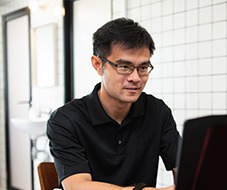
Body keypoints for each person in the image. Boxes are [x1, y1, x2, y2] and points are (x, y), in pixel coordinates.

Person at [47, 17, 181, 190]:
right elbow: (77, 187)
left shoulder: (157, 111)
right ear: (97, 64)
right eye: (124, 67)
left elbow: (188, 173)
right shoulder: (66, 120)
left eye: (143, 68)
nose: (135, 78)